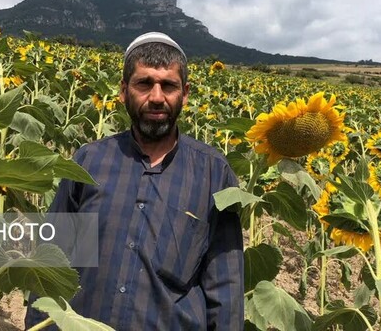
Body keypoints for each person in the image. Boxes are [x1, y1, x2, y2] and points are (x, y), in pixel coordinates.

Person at [25, 32, 244, 330]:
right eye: (144, 84)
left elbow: (225, 288)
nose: (156, 97)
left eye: (168, 85)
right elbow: (53, 260)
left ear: (185, 93)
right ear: (124, 91)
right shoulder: (89, 162)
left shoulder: (213, 173)